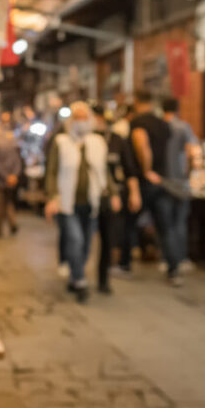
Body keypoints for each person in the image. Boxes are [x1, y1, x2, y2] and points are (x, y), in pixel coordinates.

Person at [44, 102, 111, 303]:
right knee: (75, 239)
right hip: (67, 202)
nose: (81, 121)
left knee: (87, 244)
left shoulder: (97, 142)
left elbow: (103, 171)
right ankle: (80, 280)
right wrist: (52, 196)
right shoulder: (61, 141)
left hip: (91, 202)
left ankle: (75, 275)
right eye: (77, 117)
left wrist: (113, 193)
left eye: (84, 117)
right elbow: (52, 171)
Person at [129, 90, 182, 285]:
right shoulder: (163, 124)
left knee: (129, 222)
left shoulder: (138, 122)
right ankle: (174, 269)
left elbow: (142, 145)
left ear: (137, 101)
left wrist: (147, 170)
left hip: (146, 182)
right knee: (166, 227)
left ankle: (124, 263)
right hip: (162, 180)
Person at [92, 104, 139, 294]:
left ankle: (103, 279)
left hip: (112, 196)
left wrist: (134, 193)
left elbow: (129, 169)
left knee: (109, 237)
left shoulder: (117, 140)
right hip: (89, 196)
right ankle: (76, 274)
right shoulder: (85, 140)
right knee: (83, 238)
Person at [161, 97, 198, 269]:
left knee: (165, 223)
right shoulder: (183, 127)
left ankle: (166, 259)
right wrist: (189, 172)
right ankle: (181, 259)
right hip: (180, 181)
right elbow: (192, 151)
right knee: (179, 222)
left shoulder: (159, 127)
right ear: (177, 109)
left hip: (162, 180)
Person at [0, 123, 22, 237]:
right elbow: (17, 161)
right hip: (10, 180)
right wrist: (14, 175)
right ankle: (13, 223)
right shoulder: (10, 143)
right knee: (8, 203)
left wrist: (6, 176)